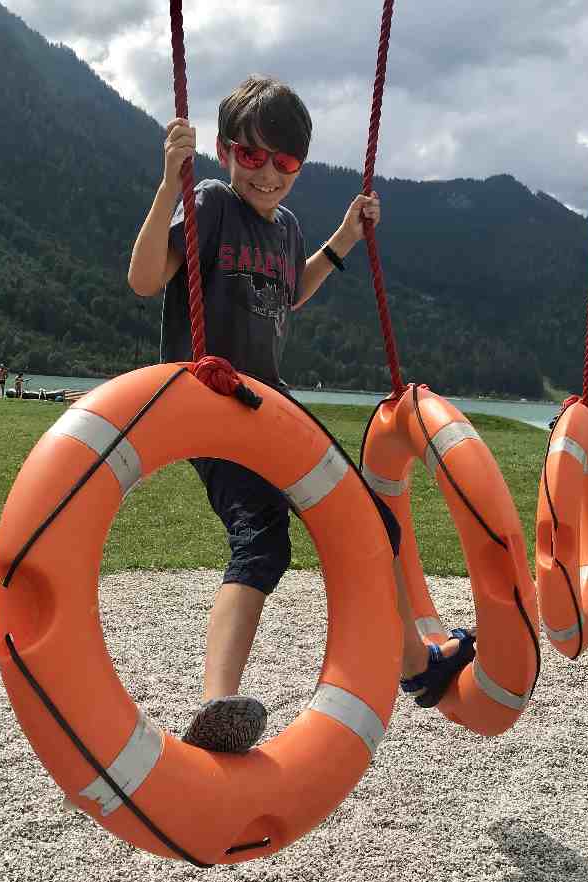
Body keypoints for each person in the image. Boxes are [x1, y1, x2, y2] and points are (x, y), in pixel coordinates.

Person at [127, 75, 474, 753]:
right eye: (252, 156)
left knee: (372, 522)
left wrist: (342, 239)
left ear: (299, 167)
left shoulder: (286, 229)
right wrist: (170, 183)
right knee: (261, 538)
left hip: (271, 408)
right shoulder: (209, 204)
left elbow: (290, 293)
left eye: (284, 162)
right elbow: (144, 280)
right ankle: (216, 702)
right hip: (211, 405)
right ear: (226, 151)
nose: (267, 174)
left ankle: (414, 664)